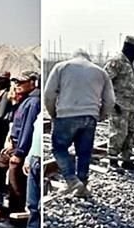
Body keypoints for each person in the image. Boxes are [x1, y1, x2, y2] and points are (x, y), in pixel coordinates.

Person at [43, 49, 116, 197]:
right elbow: (111, 100)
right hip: (90, 116)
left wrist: (53, 114)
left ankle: (72, 181)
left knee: (59, 148)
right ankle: (82, 185)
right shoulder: (101, 72)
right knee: (84, 153)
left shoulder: (61, 67)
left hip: (66, 115)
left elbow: (48, 94)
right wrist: (100, 115)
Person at [0, 71, 40, 220]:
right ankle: (0, 197)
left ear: (33, 82)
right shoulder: (25, 100)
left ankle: (17, 210)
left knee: (16, 176)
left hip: (21, 147)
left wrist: (19, 153)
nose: (17, 85)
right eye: (16, 82)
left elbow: (28, 129)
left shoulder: (33, 102)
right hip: (14, 143)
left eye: (21, 82)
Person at [103, 35, 134, 173]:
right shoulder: (117, 61)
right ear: (129, 48)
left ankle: (126, 160)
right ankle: (112, 160)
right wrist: (112, 102)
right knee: (117, 133)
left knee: (129, 133)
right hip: (119, 106)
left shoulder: (131, 63)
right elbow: (104, 81)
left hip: (130, 106)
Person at [21, 111, 43, 228]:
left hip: (42, 159)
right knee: (32, 205)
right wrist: (28, 158)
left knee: (41, 207)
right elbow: (36, 136)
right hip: (35, 159)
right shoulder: (41, 113)